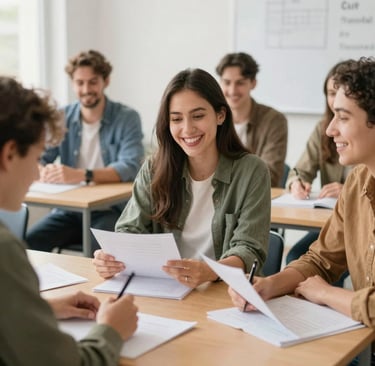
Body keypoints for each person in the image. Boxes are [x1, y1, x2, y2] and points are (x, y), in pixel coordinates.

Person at [228, 57, 375, 361]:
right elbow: (321, 259)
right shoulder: (358, 182)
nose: (330, 129)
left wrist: (325, 293)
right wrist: (268, 286)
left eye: (343, 117)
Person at [0, 76, 138, 365]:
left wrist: (40, 309)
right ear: (10, 154)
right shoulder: (4, 250)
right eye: (37, 157)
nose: (38, 174)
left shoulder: (124, 117)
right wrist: (110, 329)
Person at [93, 68, 271, 289]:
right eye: (176, 119)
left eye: (198, 116)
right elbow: (130, 230)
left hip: (226, 292)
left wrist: (209, 271)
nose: (187, 129)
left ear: (220, 115)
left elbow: (249, 250)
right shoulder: (155, 167)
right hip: (165, 289)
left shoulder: (252, 170)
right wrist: (112, 259)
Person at [26, 50, 144, 254]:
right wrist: (41, 170)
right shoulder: (61, 117)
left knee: (101, 254)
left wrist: (81, 175)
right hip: (69, 211)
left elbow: (130, 166)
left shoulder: (127, 118)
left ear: (105, 81)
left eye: (93, 82)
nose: (86, 89)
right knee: (28, 243)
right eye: (80, 83)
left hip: (110, 210)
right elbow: (39, 156)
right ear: (72, 84)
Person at [285, 61, 353, 269]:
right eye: (330, 93)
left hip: (358, 227)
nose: (334, 100)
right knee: (295, 258)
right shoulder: (324, 129)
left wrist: (349, 192)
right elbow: (299, 170)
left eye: (340, 92)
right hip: (329, 224)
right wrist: (298, 182)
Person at [216, 52, 288, 187]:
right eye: (227, 82)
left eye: (240, 83)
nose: (232, 90)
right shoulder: (212, 119)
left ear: (253, 83)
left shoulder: (274, 120)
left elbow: (270, 174)